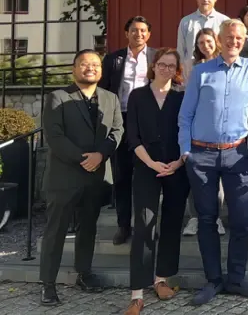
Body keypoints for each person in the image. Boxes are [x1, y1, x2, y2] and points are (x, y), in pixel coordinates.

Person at [178, 19, 248, 305]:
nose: (234, 41)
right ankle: (213, 280)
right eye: (229, 36)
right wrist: (186, 151)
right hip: (202, 155)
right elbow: (185, 115)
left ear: (244, 40)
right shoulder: (201, 72)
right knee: (206, 218)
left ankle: (236, 278)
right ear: (219, 40)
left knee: (241, 218)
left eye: (239, 37)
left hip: (237, 154)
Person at [39, 49, 123, 306]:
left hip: (96, 177)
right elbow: (54, 136)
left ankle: (83, 273)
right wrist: (84, 159)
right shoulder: (57, 97)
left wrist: (101, 155)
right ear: (74, 69)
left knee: (88, 229)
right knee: (56, 231)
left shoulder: (110, 98)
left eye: (96, 64)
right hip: (64, 177)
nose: (91, 68)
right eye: (85, 64)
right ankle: (48, 285)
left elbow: (118, 130)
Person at [123, 48, 188, 315]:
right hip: (146, 167)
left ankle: (162, 278)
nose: (166, 70)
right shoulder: (138, 96)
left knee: (172, 223)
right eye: (162, 64)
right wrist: (151, 163)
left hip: (176, 168)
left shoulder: (181, 98)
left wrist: (179, 162)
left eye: (172, 66)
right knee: (144, 226)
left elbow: (188, 132)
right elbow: (133, 137)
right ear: (153, 66)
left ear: (177, 70)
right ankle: (137, 294)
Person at [98, 16, 156, 246]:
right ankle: (124, 225)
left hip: (147, 119)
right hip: (120, 118)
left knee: (146, 173)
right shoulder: (114, 59)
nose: (138, 34)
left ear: (148, 34)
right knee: (121, 175)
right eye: (134, 30)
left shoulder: (156, 57)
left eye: (143, 30)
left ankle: (146, 225)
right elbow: (103, 90)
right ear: (126, 33)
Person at [182, 29, 227, 237]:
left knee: (215, 179)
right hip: (196, 127)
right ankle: (194, 218)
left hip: (219, 129)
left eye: (208, 41)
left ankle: (215, 218)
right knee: (195, 175)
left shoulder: (224, 63)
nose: (205, 45)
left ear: (215, 42)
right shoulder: (194, 67)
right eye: (200, 43)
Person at [177, 0, 230, 76]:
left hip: (218, 71)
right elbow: (181, 50)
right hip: (191, 72)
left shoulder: (225, 21)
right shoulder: (186, 21)